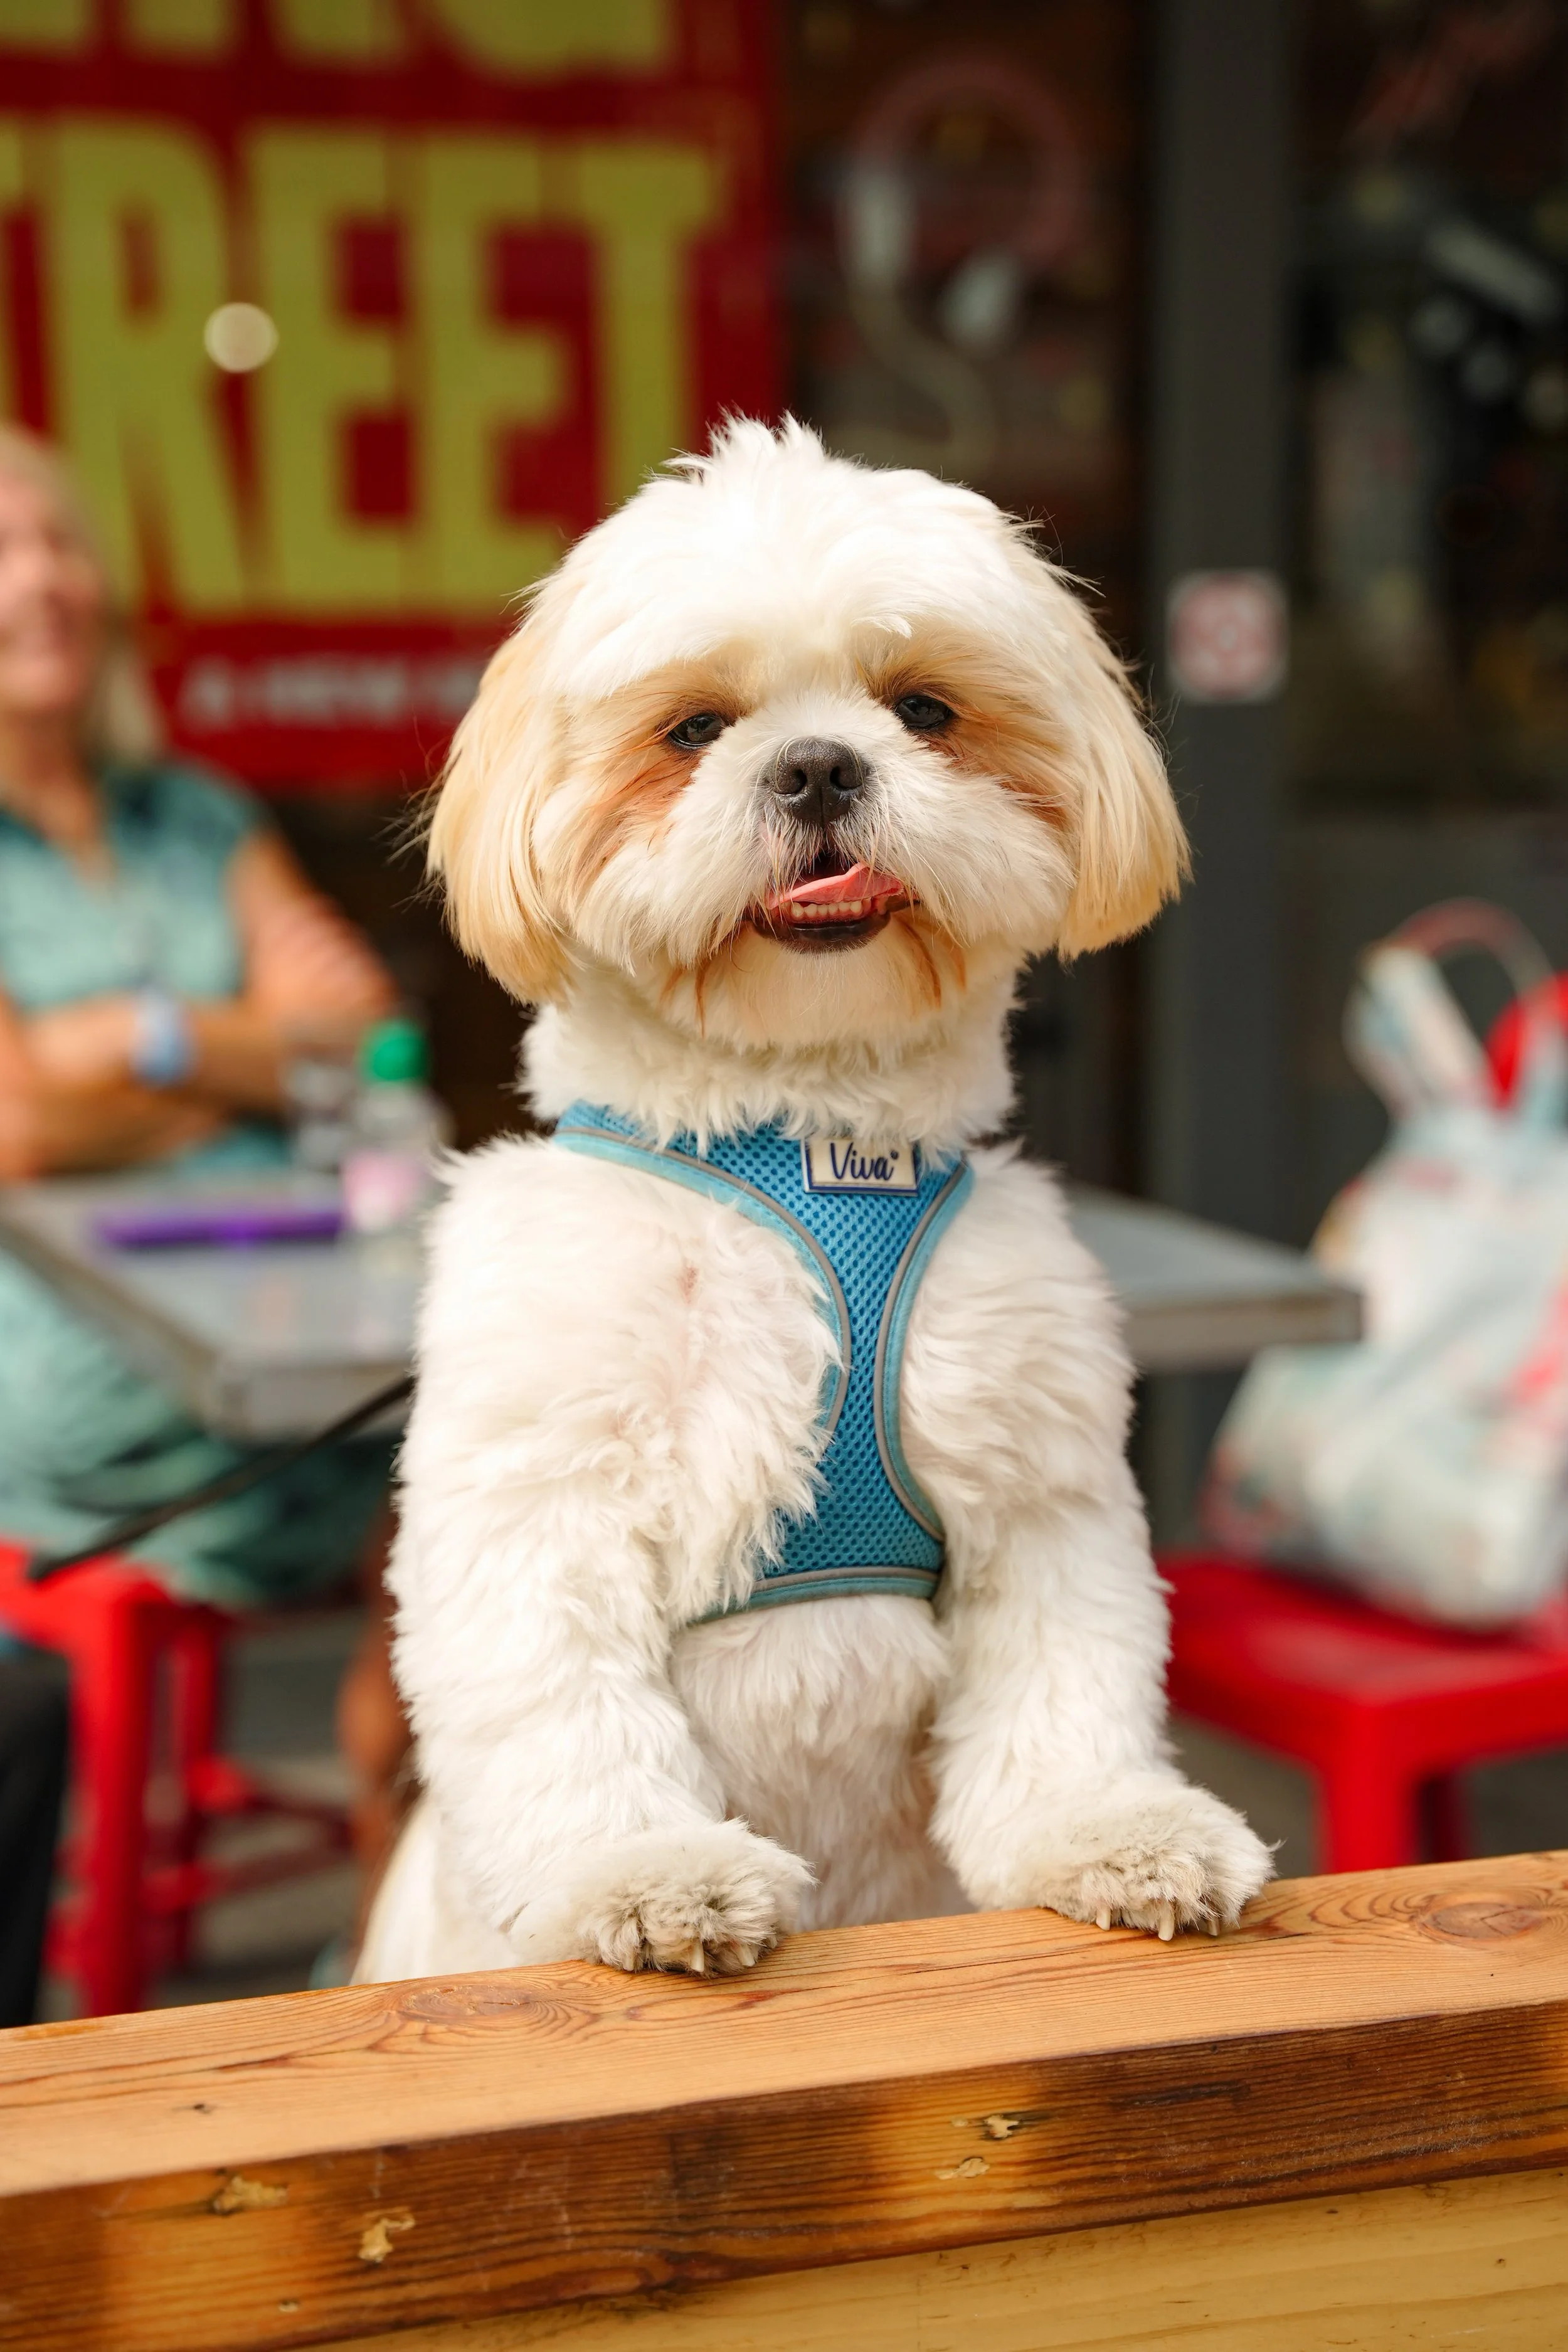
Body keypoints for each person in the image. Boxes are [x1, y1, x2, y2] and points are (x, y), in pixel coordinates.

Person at [0, 426, 408, 1994]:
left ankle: (393, 1943)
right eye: (5, 550)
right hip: (71, 1368)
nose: (43, 580)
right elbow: (21, 1130)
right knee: (414, 1435)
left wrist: (137, 1040)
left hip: (287, 1319)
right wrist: (248, 1049)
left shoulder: (193, 810)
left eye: (62, 543)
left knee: (467, 1462)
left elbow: (364, 1037)